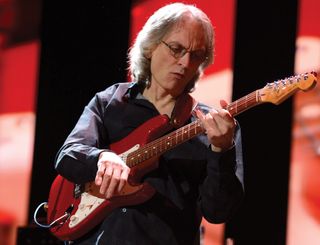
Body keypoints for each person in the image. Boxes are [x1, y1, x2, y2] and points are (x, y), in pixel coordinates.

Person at [55, 2, 244, 244]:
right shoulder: (110, 101)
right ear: (151, 45)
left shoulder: (216, 128)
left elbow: (218, 212)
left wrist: (221, 151)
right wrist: (102, 158)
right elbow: (67, 156)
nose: (186, 63)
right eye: (176, 49)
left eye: (196, 55)